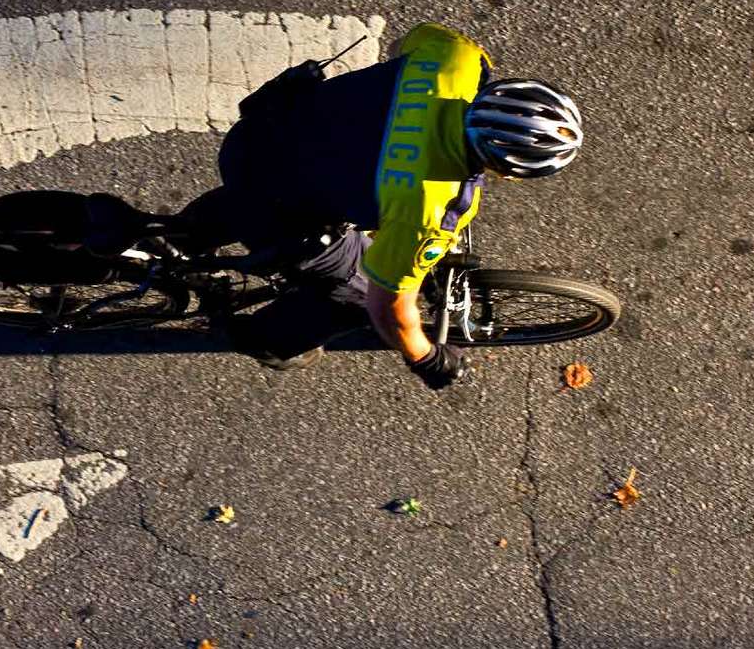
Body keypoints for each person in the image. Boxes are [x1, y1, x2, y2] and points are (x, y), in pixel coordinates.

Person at [181, 22, 583, 389]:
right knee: (354, 292)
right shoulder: (431, 209)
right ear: (505, 170)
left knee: (276, 180)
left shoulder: (456, 55)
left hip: (258, 135)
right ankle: (269, 341)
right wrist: (425, 357)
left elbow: (398, 46)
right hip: (274, 202)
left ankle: (183, 236)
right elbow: (387, 307)